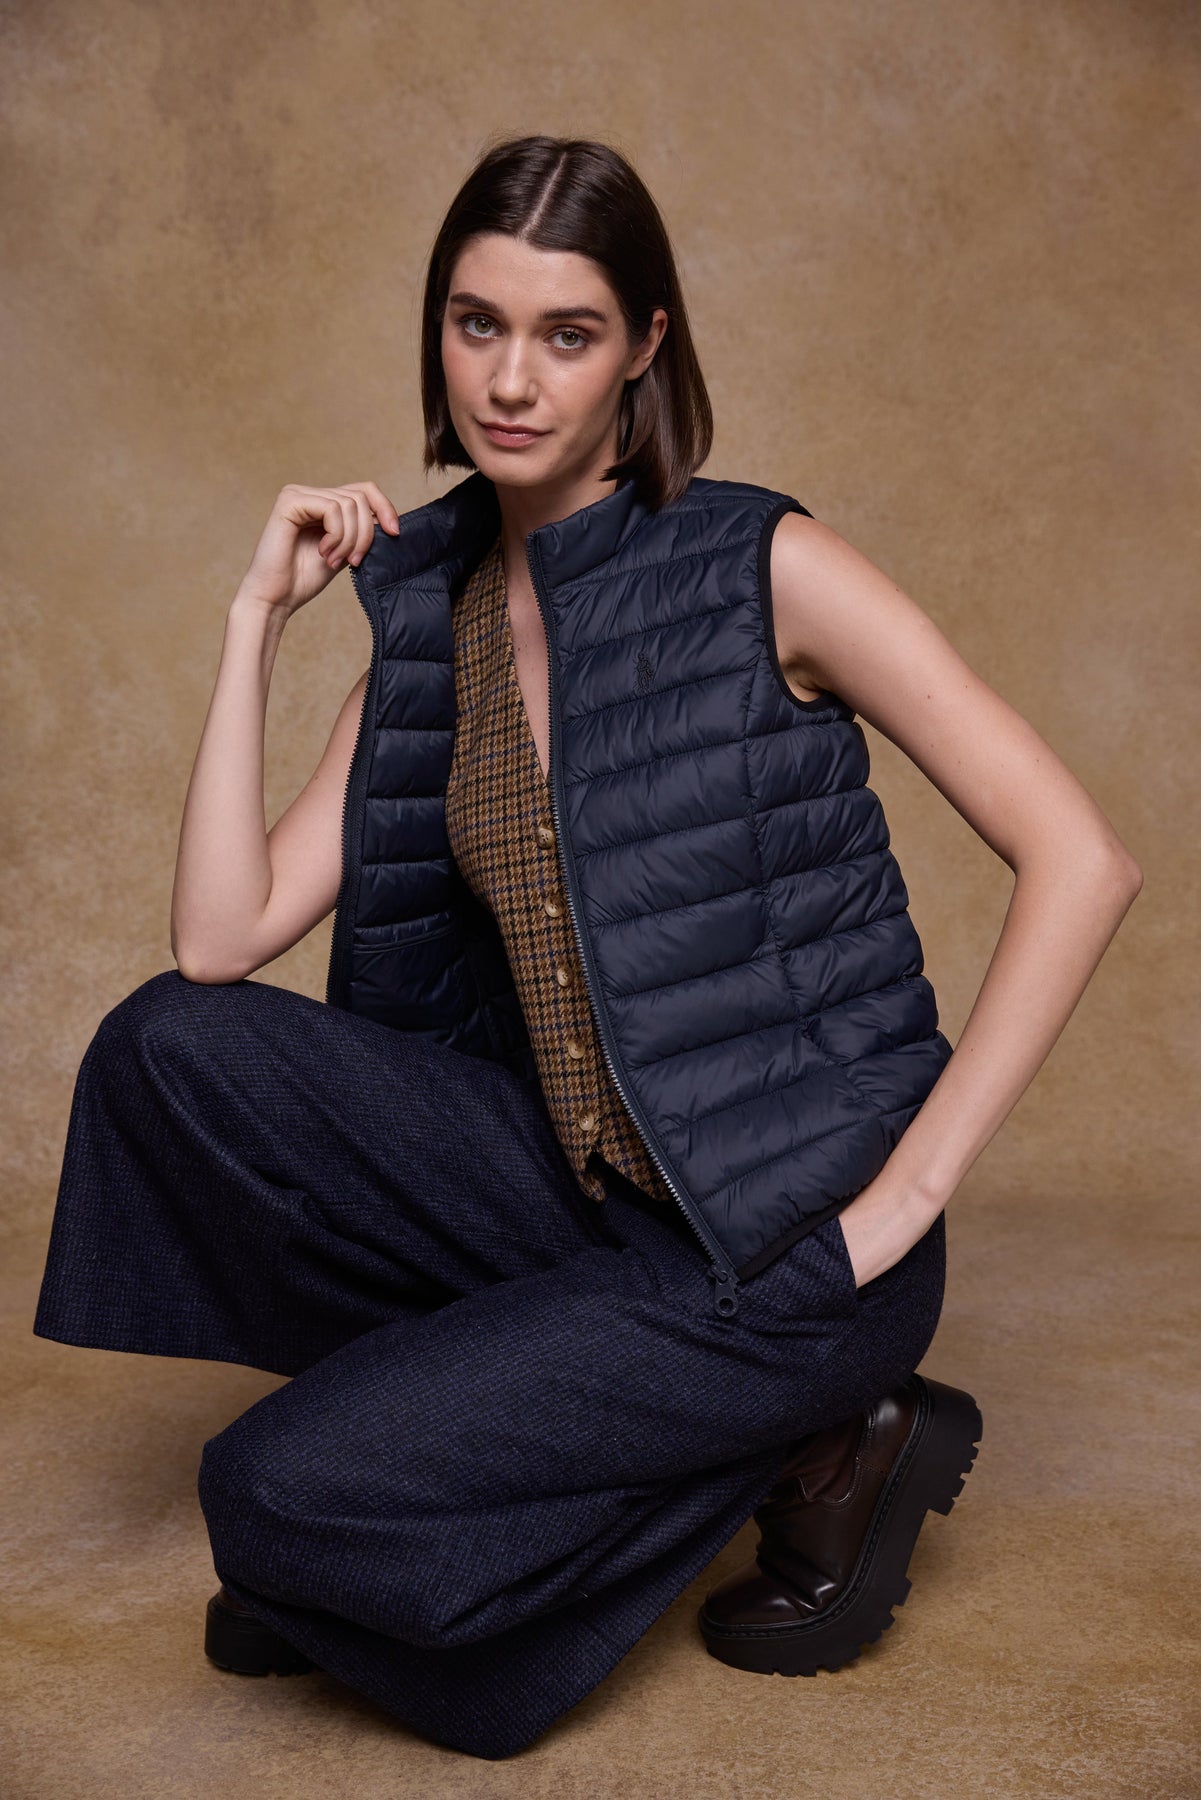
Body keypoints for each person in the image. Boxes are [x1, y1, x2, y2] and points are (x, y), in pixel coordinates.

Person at [32, 134, 1143, 1762]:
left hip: (790, 1246)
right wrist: (251, 622)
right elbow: (218, 940)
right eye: (475, 324)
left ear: (643, 346)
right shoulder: (438, 623)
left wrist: (900, 1204)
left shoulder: (763, 565)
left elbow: (1080, 860)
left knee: (265, 1495)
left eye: (566, 334)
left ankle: (823, 1423)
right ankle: (786, 1446)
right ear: (435, 329)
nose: (511, 380)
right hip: (586, 1195)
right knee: (166, 1050)